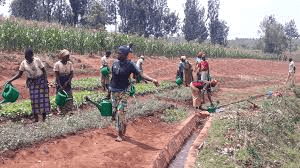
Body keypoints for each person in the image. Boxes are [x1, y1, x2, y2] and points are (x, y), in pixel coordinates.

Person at [110, 45, 159, 142]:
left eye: (120, 53)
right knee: (115, 113)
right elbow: (113, 78)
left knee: (120, 112)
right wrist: (108, 92)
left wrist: (153, 80)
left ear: (125, 55)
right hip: (114, 91)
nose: (117, 54)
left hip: (124, 90)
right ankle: (123, 124)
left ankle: (120, 135)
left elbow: (141, 74)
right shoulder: (115, 64)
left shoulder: (130, 64)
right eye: (118, 53)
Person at [6, 48, 50, 122]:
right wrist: (10, 80)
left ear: (32, 55)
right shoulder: (23, 63)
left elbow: (44, 71)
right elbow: (19, 74)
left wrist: (45, 81)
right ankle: (36, 119)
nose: (27, 58)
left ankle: (44, 118)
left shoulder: (37, 60)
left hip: (41, 81)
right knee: (34, 100)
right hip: (32, 82)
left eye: (29, 56)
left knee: (43, 100)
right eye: (26, 56)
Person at [54, 49, 74, 115]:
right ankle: (61, 111)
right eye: (66, 56)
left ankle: (69, 110)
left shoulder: (70, 64)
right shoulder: (57, 64)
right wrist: (60, 85)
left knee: (69, 95)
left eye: (68, 56)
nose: (68, 58)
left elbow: (71, 74)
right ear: (62, 57)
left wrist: (68, 82)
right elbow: (57, 76)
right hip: (60, 81)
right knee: (60, 97)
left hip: (67, 81)